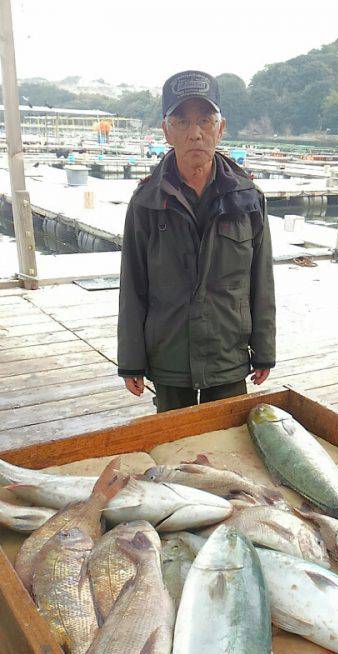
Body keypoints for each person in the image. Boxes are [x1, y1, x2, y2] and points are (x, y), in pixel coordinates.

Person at [117, 70, 276, 413]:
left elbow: (262, 281)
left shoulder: (248, 197)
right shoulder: (146, 201)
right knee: (174, 448)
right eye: (182, 121)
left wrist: (264, 350)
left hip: (228, 353)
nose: (195, 133)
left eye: (205, 120)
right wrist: (131, 361)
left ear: (221, 127)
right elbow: (132, 285)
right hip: (169, 354)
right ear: (166, 130)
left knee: (229, 442)